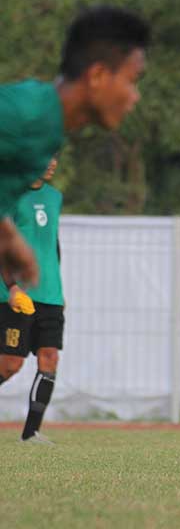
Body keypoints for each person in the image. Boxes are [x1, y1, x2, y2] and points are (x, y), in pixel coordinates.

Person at [0, 5, 150, 286]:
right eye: (132, 81)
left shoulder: (48, 128)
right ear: (97, 76)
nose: (135, 96)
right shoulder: (26, 113)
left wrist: (6, 236)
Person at [0, 159, 64, 443]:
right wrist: (11, 286)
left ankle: (31, 433)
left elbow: (53, 243)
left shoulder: (55, 197)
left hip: (51, 297)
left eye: (54, 157)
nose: (51, 163)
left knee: (49, 359)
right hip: (18, 296)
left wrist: (59, 291)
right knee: (10, 365)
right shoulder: (11, 195)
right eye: (45, 156)